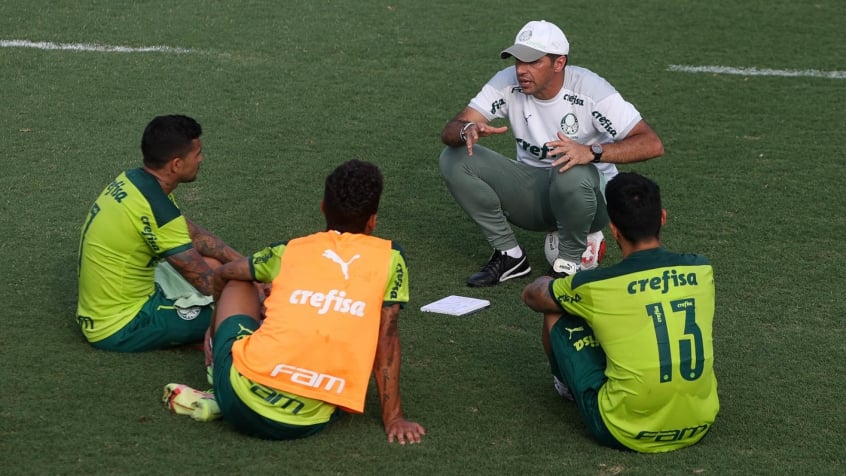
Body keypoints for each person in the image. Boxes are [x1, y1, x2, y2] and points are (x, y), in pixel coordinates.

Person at [194, 159, 425, 443]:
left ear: (322, 207)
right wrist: (394, 418)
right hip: (307, 420)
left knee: (241, 281)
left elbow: (223, 273)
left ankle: (217, 354)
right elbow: (385, 341)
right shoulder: (391, 259)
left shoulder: (288, 251)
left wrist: (215, 324)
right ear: (373, 220)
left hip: (238, 400)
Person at [439, 20, 664, 287]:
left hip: (593, 198)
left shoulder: (590, 89)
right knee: (454, 158)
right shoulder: (507, 83)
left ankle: (568, 264)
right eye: (517, 61)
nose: (521, 70)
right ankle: (510, 255)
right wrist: (467, 129)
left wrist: (591, 152)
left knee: (570, 165)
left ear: (559, 64)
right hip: (536, 192)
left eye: (533, 62)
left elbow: (652, 143)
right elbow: (450, 129)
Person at [521, 172, 718, 453]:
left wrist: (556, 280)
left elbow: (533, 296)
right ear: (662, 218)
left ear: (613, 230)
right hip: (699, 420)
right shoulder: (702, 268)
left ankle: (567, 387)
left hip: (621, 428)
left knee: (557, 310)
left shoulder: (598, 285)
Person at [76, 114, 243, 352]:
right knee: (240, 310)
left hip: (111, 301)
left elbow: (196, 237)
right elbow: (206, 283)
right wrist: (258, 293)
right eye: (197, 154)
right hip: (120, 325)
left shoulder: (135, 181)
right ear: (176, 164)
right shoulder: (156, 209)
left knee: (215, 263)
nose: (201, 159)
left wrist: (250, 267)